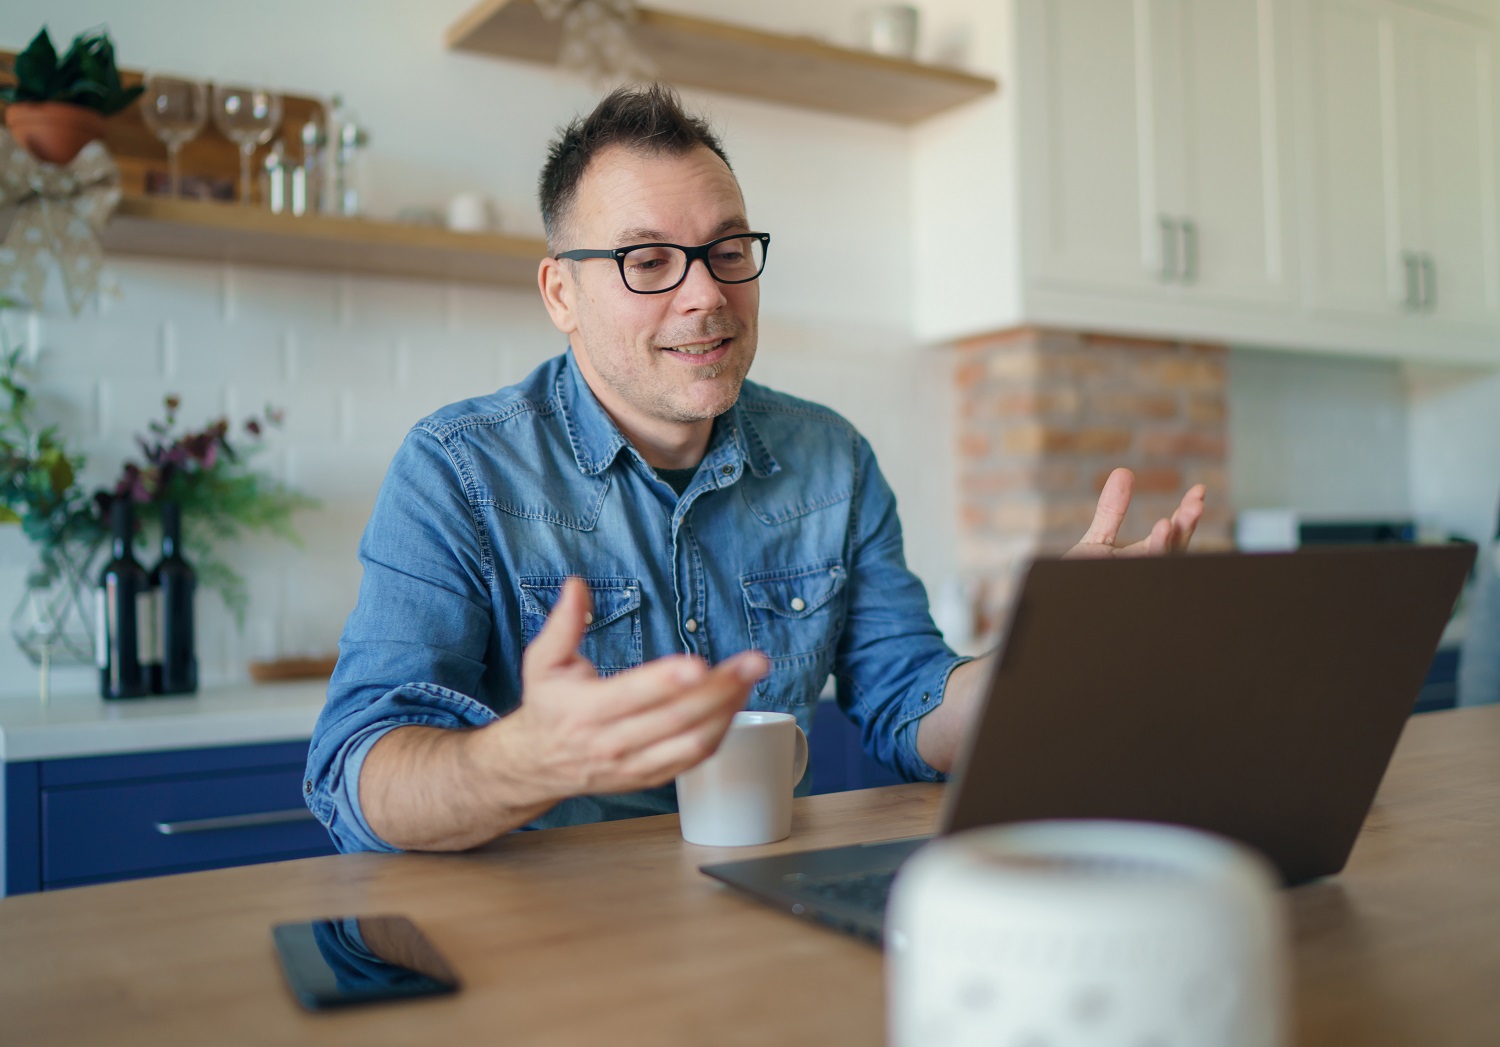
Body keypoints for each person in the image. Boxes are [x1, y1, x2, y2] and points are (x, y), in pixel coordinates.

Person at [303, 84, 1206, 853]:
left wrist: (1042, 661)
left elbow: (906, 702)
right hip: (549, 941)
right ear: (560, 294)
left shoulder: (831, 459)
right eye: (647, 259)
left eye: (728, 251)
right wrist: (529, 758)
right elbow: (356, 772)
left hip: (771, 907)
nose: (705, 294)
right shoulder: (457, 470)